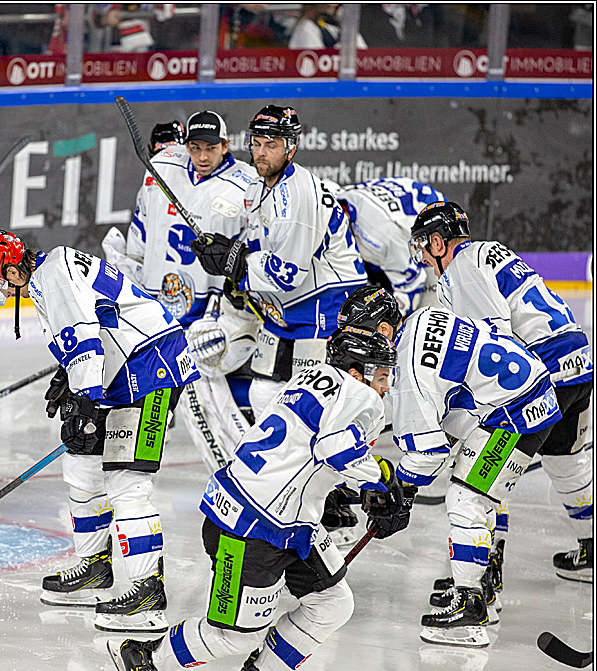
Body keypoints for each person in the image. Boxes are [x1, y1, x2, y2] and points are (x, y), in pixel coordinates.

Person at [107, 327, 403, 671]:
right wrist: (382, 478)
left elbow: (303, 448)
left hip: (281, 522)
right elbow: (336, 450)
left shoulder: (311, 376)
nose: (386, 386)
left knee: (332, 603)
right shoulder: (360, 394)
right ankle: (147, 657)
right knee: (235, 638)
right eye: (382, 375)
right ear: (357, 372)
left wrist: (337, 489)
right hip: (249, 528)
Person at [0, 229, 200, 633]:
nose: (1, 291)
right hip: (123, 370)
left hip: (150, 370)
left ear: (12, 266)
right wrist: (71, 380)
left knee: (126, 481)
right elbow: (91, 327)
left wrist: (87, 403)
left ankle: (148, 591)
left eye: (0, 280)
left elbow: (88, 345)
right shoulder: (45, 275)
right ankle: (95, 566)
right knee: (82, 466)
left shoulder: (52, 278)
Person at [350, 279, 562, 646]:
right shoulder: (422, 318)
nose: (357, 347)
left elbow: (428, 453)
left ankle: (470, 608)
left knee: (467, 498)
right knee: (479, 492)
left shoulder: (405, 371)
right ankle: (483, 590)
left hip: (513, 413)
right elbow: (449, 404)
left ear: (384, 330)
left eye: (361, 334)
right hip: (527, 396)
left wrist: (399, 490)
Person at [410, 201, 593, 584]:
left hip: (543, 373)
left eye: (424, 246)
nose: (423, 257)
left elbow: (496, 349)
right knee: (565, 461)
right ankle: (591, 548)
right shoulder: (487, 252)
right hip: (579, 360)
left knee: (483, 463)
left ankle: (488, 563)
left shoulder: (462, 270)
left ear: (440, 242)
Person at [190, 104, 366, 421]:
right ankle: (279, 464)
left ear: (291, 147)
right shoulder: (257, 187)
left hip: (325, 306)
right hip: (289, 307)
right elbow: (256, 242)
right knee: (264, 393)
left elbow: (286, 274)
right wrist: (236, 279)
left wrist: (236, 264)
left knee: (313, 406)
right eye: (256, 144)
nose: (261, 153)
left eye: (271, 145)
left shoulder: (298, 197)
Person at [106, 110, 258, 473]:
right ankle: (134, 484)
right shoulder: (161, 168)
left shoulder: (247, 186)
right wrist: (131, 291)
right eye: (195, 147)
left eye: (210, 148)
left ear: (225, 146)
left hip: (214, 323)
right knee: (147, 416)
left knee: (226, 415)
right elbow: (141, 237)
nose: (202, 156)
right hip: (158, 318)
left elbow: (255, 258)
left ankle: (252, 479)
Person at [327, 176, 448, 316]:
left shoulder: (378, 234)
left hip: (434, 229)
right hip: (400, 208)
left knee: (428, 316)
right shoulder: (336, 198)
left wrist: (388, 324)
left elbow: (410, 283)